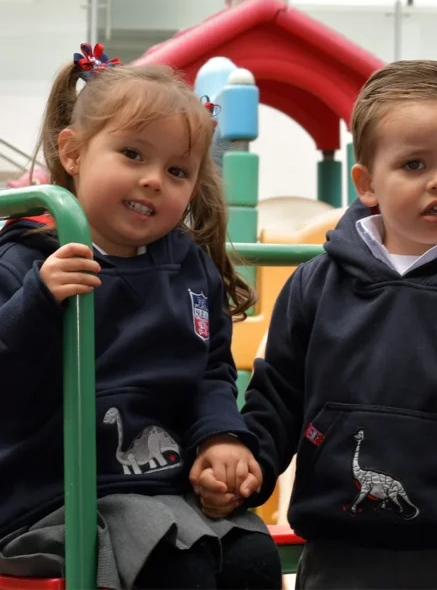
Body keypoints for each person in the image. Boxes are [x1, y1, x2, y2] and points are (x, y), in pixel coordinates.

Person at [194, 60, 437, 589]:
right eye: (413, 164)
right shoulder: (316, 287)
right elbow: (277, 399)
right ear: (367, 183)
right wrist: (250, 465)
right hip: (337, 553)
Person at [0, 45, 281, 590]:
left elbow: (210, 372)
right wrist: (37, 302)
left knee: (253, 559)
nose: (154, 179)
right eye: (132, 154)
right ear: (73, 152)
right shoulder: (27, 257)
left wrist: (221, 437)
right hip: (53, 496)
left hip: (166, 490)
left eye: (177, 170)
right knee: (177, 567)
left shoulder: (188, 266)